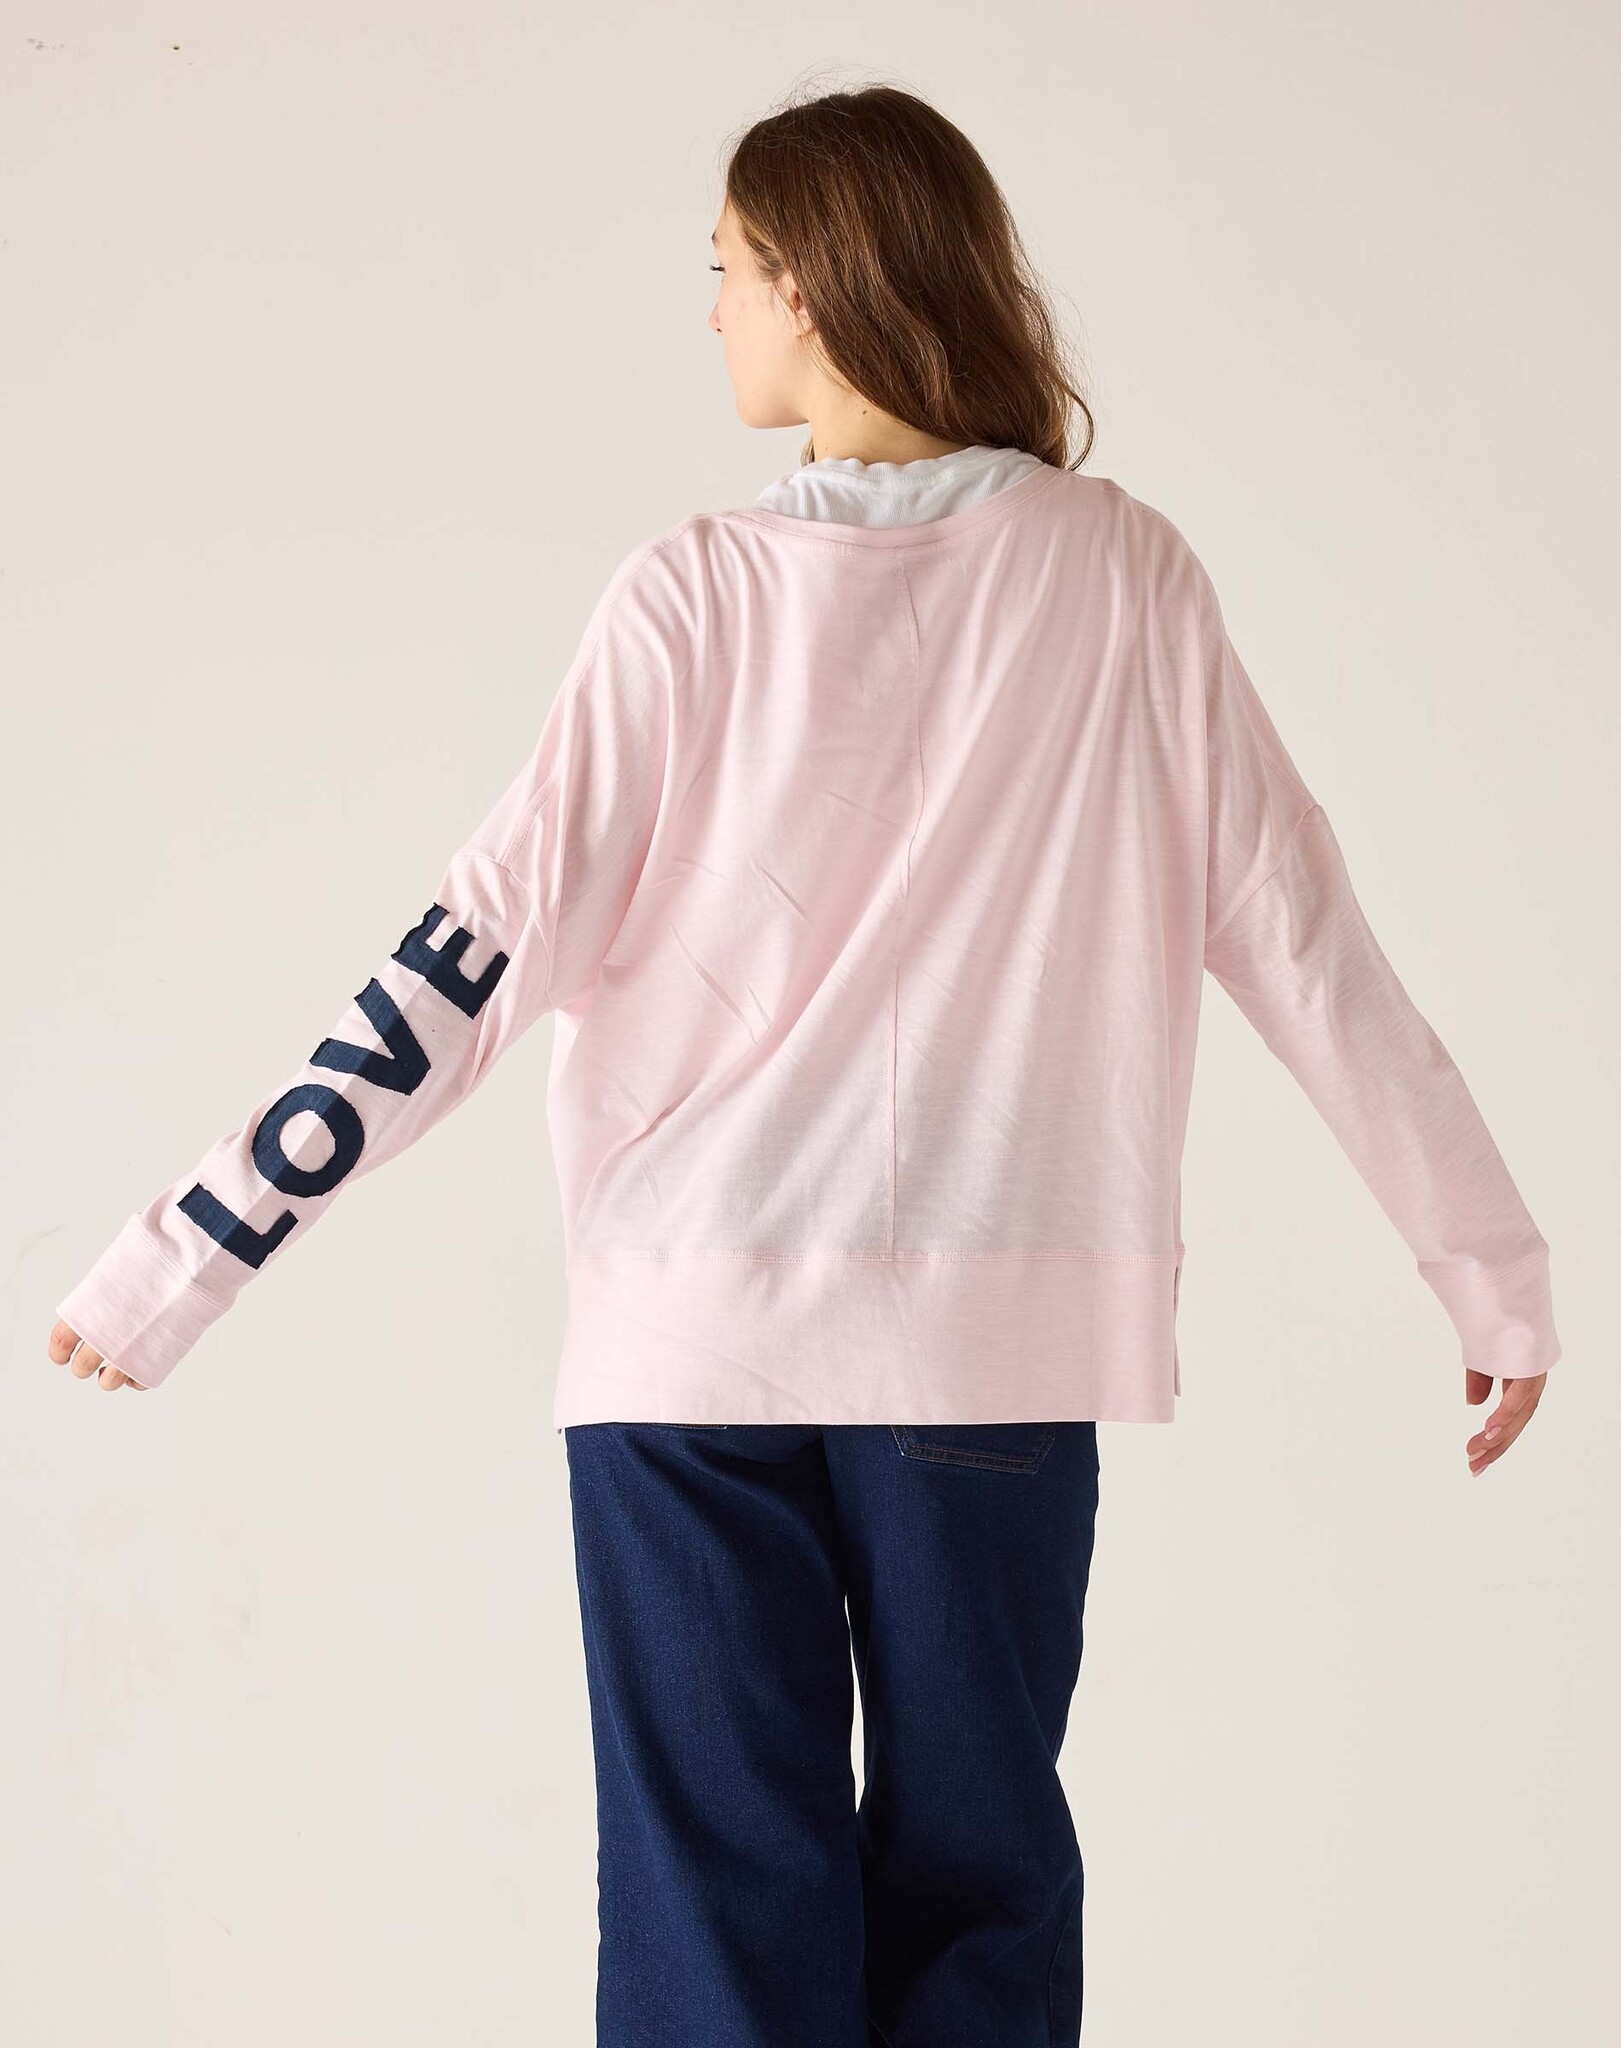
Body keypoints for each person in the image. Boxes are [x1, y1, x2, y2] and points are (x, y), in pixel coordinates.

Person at [48, 83, 1558, 2048]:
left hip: (692, 1353)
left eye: (727, 271)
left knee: (714, 1924)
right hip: (993, 1347)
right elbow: (1305, 938)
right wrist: (1482, 1264)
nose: (709, 313)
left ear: (818, 285)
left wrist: (195, 1243)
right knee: (977, 1896)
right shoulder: (1121, 578)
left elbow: (467, 957)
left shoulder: (690, 599)